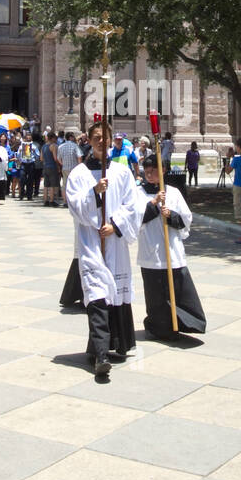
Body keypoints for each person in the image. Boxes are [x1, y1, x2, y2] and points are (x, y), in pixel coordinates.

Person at [64, 119, 142, 380]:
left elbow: (133, 205)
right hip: (91, 243)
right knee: (97, 294)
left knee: (115, 293)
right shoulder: (79, 174)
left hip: (115, 243)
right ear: (88, 139)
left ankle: (115, 344)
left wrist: (116, 225)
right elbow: (75, 207)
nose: (100, 141)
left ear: (111, 140)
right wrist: (95, 193)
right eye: (96, 137)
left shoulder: (121, 173)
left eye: (104, 137)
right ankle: (100, 356)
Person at [135, 154, 206, 340]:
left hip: (172, 250)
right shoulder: (139, 193)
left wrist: (171, 215)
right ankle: (159, 326)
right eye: (147, 172)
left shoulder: (173, 192)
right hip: (151, 251)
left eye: (153, 172)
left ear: (163, 171)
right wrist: (153, 204)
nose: (149, 176)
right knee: (156, 293)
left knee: (178, 289)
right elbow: (134, 221)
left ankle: (182, 323)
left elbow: (186, 219)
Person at [41, 131, 61, 206]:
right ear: (52, 138)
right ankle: (51, 200)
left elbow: (41, 158)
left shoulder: (43, 146)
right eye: (55, 138)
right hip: (52, 166)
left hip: (45, 166)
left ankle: (45, 200)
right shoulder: (53, 146)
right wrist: (58, 165)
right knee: (52, 185)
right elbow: (55, 158)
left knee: (46, 185)